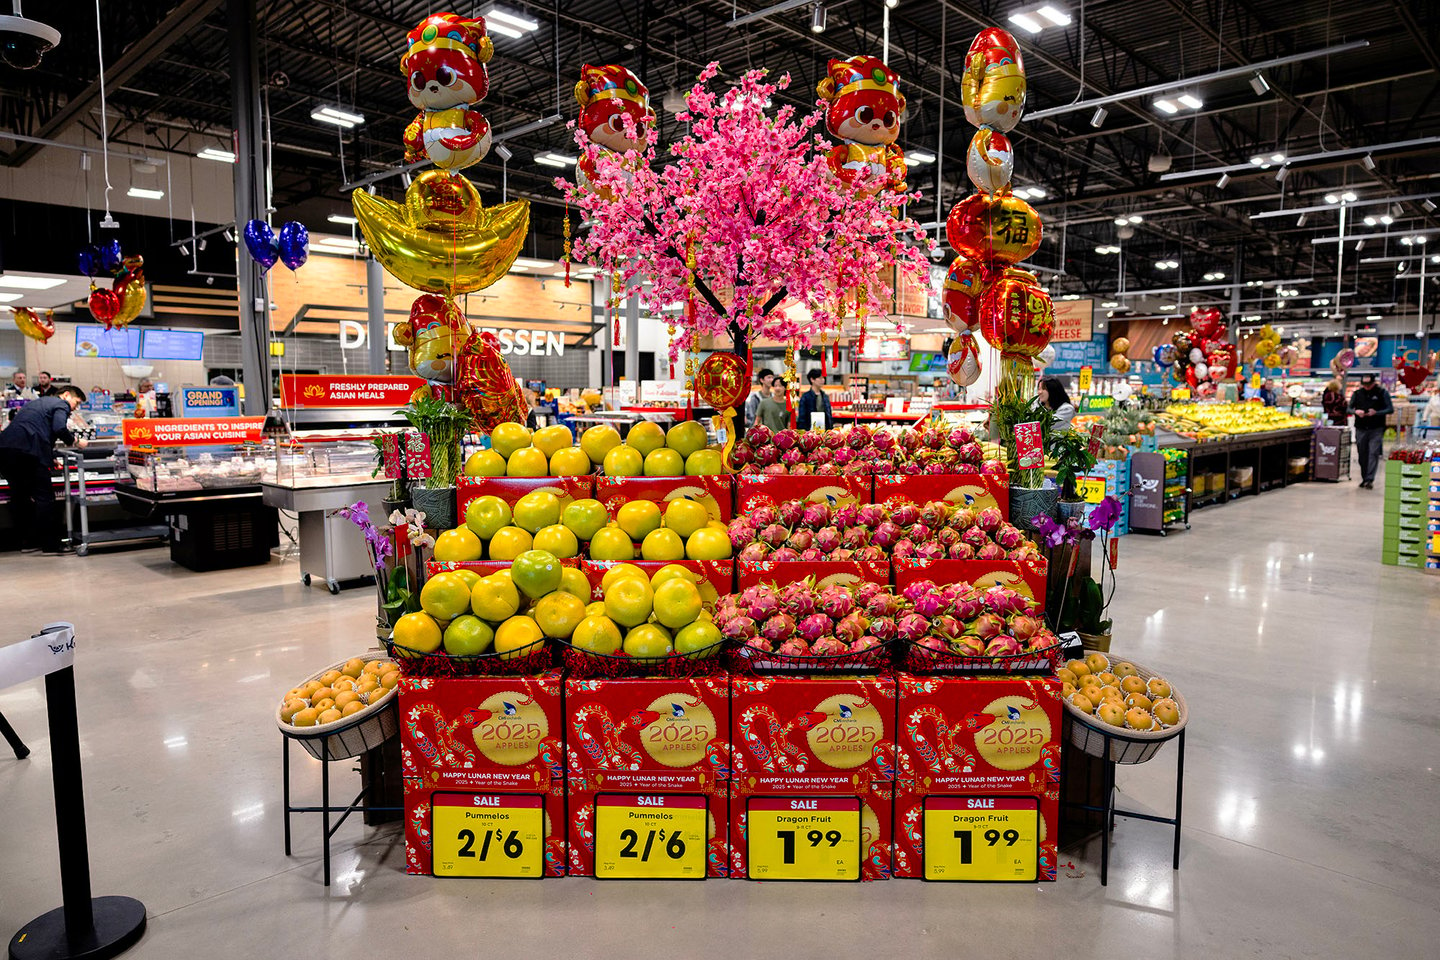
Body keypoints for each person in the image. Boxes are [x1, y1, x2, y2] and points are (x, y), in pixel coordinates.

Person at [0, 385, 87, 554]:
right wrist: (76, 441)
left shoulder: (38, 403)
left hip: (6, 450)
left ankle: (28, 542)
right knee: (44, 498)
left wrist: (50, 456)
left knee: (20, 497)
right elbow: (59, 428)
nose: (75, 407)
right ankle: (50, 545)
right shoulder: (60, 404)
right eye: (76, 402)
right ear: (66, 395)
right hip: (29, 452)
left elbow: (38, 430)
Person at [1349, 372, 1393, 489]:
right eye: (1365, 385)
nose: (1367, 387)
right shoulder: (1357, 394)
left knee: (1373, 453)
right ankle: (1364, 477)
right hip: (1361, 428)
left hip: (1376, 428)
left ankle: (1369, 479)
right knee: (1362, 454)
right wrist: (1356, 412)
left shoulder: (1382, 393)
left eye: (1369, 385)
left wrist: (1376, 413)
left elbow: (1390, 409)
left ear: (1374, 383)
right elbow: (1349, 409)